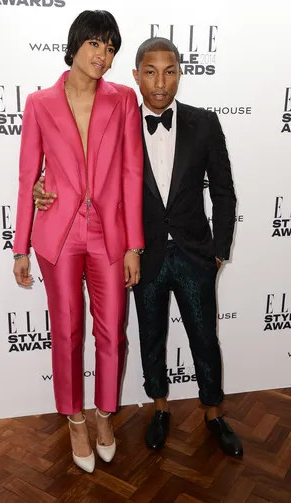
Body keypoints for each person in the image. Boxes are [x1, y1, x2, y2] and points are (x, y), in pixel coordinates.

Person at [32, 37, 243, 458]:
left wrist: (218, 251)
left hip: (195, 254)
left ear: (181, 74)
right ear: (135, 76)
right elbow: (86, 172)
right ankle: (160, 409)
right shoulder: (120, 119)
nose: (160, 82)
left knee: (204, 337)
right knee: (150, 338)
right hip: (141, 255)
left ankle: (214, 414)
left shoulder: (205, 123)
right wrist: (45, 186)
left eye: (169, 71)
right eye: (150, 71)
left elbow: (223, 191)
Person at [12, 10, 144, 474]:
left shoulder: (125, 100)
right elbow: (30, 175)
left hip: (108, 234)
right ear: (76, 44)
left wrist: (134, 245)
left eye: (110, 48)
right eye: (95, 43)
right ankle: (74, 419)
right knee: (66, 333)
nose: (103, 55)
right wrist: (21, 245)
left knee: (112, 331)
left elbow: (131, 174)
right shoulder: (39, 103)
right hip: (59, 234)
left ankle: (104, 414)